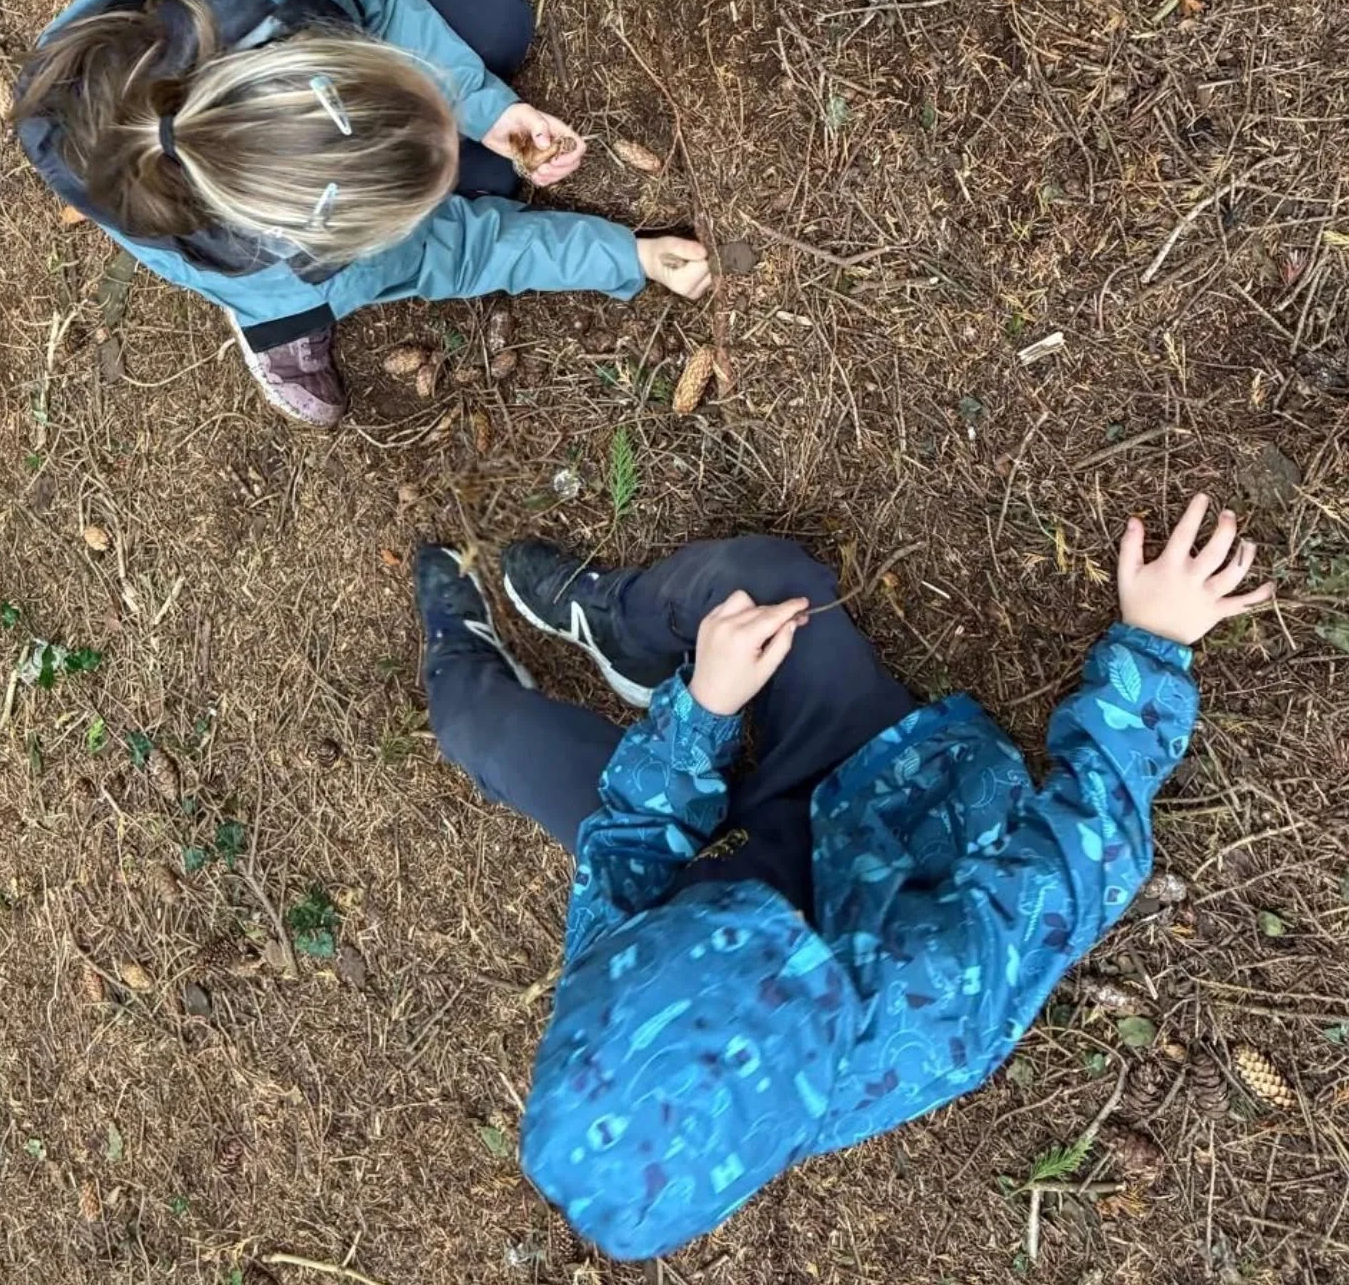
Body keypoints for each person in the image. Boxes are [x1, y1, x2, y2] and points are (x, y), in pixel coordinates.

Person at [412, 494, 1273, 1259]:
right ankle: (473, 662)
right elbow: (1093, 844)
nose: (718, 899)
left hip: (820, 780)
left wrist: (704, 708)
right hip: (891, 800)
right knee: (490, 714)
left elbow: (634, 840)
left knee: (756, 584)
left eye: (690, 916)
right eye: (742, 913)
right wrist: (1152, 643)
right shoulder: (938, 1004)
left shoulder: (618, 986)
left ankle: (616, 629)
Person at [14, 0, 711, 428]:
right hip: (267, 260)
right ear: (344, 236)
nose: (457, 129)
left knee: (496, 23)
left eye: (420, 92)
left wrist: (487, 109)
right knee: (490, 185)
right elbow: (464, 251)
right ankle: (275, 328)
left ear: (335, 48)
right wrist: (630, 255)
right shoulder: (313, 272)